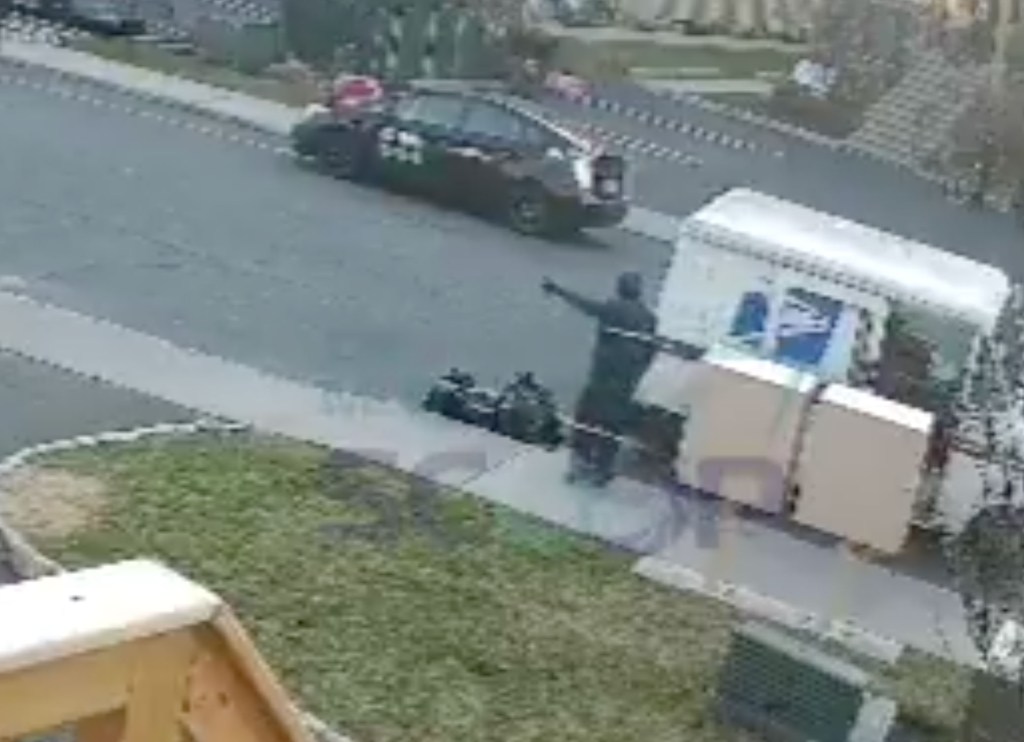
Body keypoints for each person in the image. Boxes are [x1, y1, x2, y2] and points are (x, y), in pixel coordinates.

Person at [542, 272, 657, 486]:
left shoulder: (612, 309)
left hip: (602, 379)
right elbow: (651, 352)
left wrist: (557, 290)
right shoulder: (650, 318)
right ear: (639, 291)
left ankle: (579, 466)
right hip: (626, 386)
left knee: (586, 422)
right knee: (612, 429)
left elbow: (584, 305)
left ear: (619, 288)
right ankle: (603, 470)